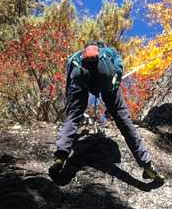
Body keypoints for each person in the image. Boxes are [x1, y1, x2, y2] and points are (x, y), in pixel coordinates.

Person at [49, 42, 160, 183]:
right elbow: (118, 71)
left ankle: (60, 157)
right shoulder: (109, 51)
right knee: (124, 121)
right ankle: (146, 164)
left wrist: (73, 107)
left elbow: (70, 82)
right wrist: (112, 106)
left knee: (73, 117)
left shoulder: (75, 57)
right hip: (106, 78)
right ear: (100, 47)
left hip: (80, 77)